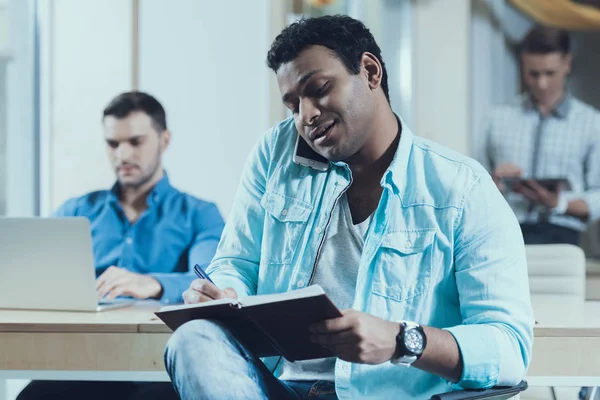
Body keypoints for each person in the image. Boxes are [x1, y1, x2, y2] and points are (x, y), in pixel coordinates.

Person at [164, 15, 533, 400]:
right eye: (293, 105)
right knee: (194, 339)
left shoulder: (462, 188)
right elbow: (237, 262)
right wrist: (225, 292)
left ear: (370, 71)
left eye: (319, 89)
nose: (305, 116)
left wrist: (400, 341)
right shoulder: (275, 154)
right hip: (279, 388)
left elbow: (508, 348)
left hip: (388, 395)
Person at [17, 91, 225, 400]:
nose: (122, 155)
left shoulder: (199, 214)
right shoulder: (75, 211)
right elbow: (36, 275)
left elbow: (211, 282)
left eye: (135, 142)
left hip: (159, 365)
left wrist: (153, 283)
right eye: (113, 144)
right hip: (82, 363)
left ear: (164, 140)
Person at [482, 25, 600, 245]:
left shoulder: (592, 123)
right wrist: (493, 181)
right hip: (504, 232)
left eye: (550, 73)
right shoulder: (497, 118)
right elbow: (472, 183)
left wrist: (559, 202)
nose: (542, 83)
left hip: (563, 237)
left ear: (567, 63)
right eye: (533, 74)